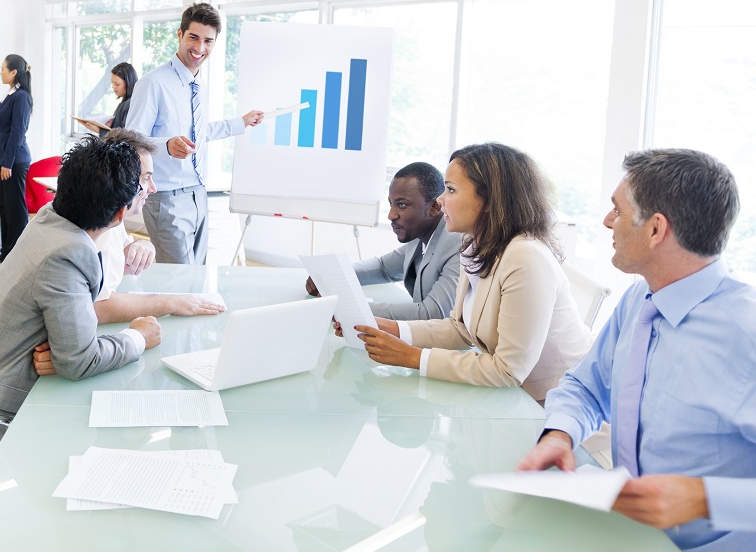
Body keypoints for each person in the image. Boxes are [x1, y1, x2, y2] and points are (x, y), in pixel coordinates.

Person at [517, 148, 756, 551]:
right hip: (629, 534)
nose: (608, 221)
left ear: (655, 229)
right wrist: (560, 434)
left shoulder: (745, 333)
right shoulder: (640, 300)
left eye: (617, 210)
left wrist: (704, 499)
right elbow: (587, 386)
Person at [0, 135, 162, 479]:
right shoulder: (68, 252)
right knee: (122, 454)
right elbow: (79, 361)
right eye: (144, 183)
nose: (151, 189)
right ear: (121, 213)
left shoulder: (53, 217)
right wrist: (138, 336)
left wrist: (70, 352)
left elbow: (70, 353)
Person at [355, 143, 592, 401]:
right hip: (516, 398)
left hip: (557, 403)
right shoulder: (474, 245)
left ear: (489, 200)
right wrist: (393, 328)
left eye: (451, 190)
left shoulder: (525, 258)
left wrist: (412, 357)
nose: (440, 200)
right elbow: (461, 330)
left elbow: (507, 371)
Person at [31, 128, 226, 377]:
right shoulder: (72, 250)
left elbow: (118, 248)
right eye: (146, 178)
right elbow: (86, 337)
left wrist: (140, 245)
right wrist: (152, 321)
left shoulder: (93, 216)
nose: (152, 188)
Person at [126, 2, 264, 265]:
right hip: (166, 198)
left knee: (197, 275)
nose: (200, 48)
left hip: (199, 193)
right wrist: (167, 146)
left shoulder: (198, 84)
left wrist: (241, 123)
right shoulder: (153, 83)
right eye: (193, 37)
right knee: (179, 280)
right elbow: (132, 141)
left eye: (208, 41)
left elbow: (198, 133)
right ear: (180, 34)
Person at [305, 162, 461, 320]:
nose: (391, 215)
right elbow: (384, 268)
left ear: (435, 207)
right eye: (391, 204)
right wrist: (332, 276)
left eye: (402, 205)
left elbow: (434, 313)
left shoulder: (457, 244)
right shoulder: (419, 235)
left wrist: (352, 307)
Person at [0, 54, 33, 262]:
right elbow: (2, 132)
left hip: (16, 161)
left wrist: (7, 162)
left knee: (16, 209)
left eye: (2, 68)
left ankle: (17, 255)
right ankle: (6, 252)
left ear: (14, 72)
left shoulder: (21, 97)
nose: (0, 72)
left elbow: (17, 132)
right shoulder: (10, 95)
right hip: (7, 160)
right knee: (5, 207)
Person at [83, 62, 138, 135]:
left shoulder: (130, 105)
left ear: (128, 83)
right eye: (112, 83)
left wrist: (100, 131)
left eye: (117, 84)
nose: (113, 87)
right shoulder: (123, 104)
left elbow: (125, 137)